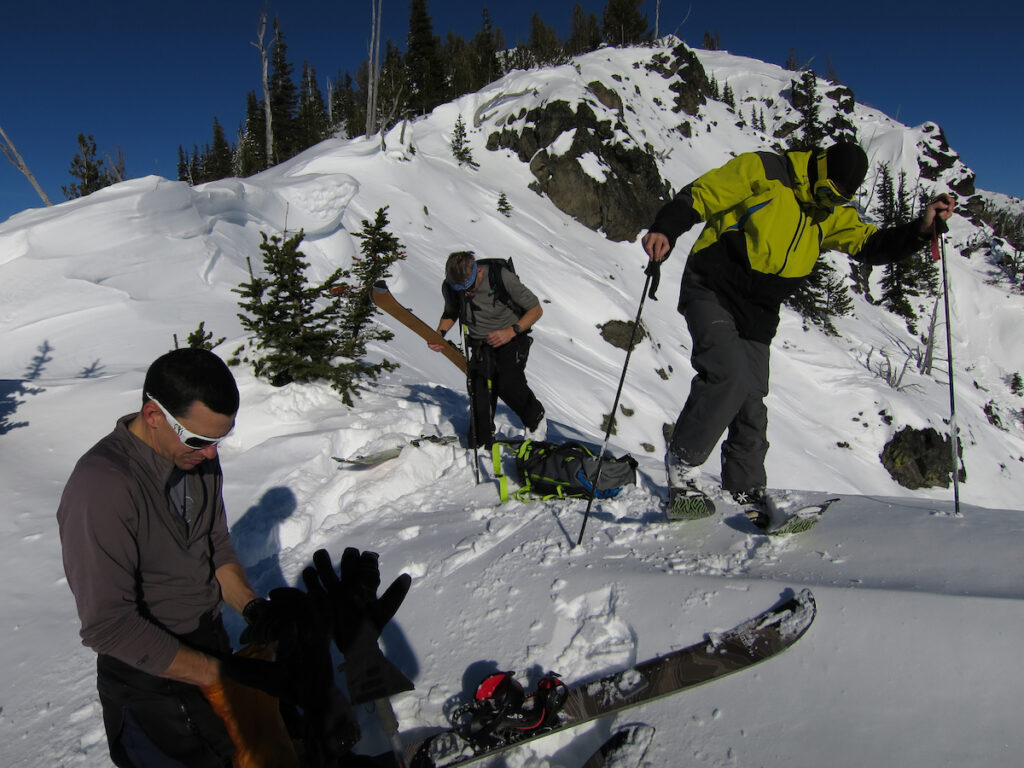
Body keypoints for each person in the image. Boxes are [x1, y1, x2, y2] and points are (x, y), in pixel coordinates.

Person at [641, 141, 956, 519]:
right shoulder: (765, 171)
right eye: (827, 192)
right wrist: (666, 228)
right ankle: (682, 465)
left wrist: (921, 229)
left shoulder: (830, 212)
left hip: (759, 310)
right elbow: (704, 194)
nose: (828, 202)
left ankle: (745, 487)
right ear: (818, 169)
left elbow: (871, 244)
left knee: (753, 399)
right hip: (713, 285)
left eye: (838, 198)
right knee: (729, 376)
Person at [57, 348, 259, 767]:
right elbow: (108, 626)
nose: (210, 454)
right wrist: (220, 677)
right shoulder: (102, 486)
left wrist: (256, 610)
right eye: (200, 440)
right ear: (153, 415)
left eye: (221, 439)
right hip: (147, 683)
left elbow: (215, 547)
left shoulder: (198, 460)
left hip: (209, 651)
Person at [430, 251, 547, 447]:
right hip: (478, 344)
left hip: (510, 339)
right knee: (480, 393)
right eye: (459, 288)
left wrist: (511, 331)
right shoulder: (451, 286)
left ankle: (535, 418)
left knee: (508, 384)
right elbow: (451, 311)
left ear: (478, 273)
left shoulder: (500, 277)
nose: (465, 293)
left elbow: (535, 309)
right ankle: (482, 442)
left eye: (468, 287)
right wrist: (439, 335)